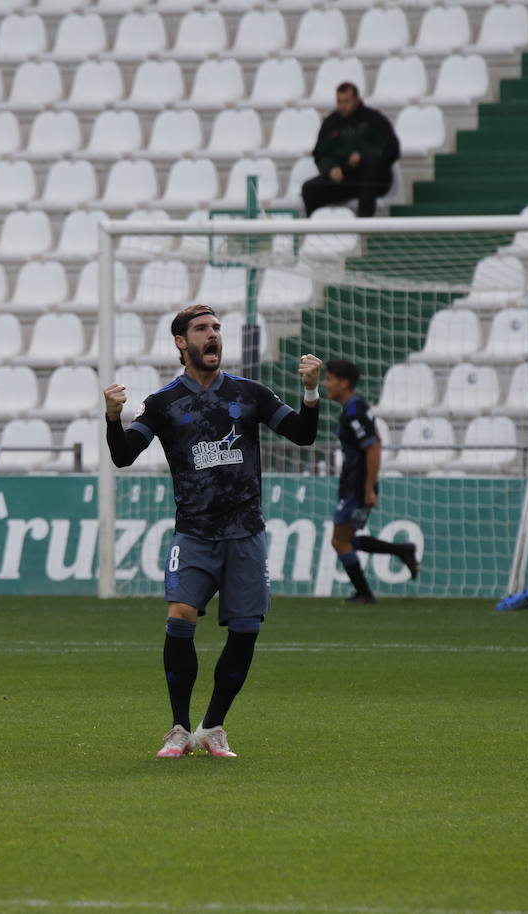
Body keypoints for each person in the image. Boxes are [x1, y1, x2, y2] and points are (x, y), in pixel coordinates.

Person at [103, 304, 322, 759]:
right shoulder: (164, 403)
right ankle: (180, 728)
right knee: (180, 616)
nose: (213, 335)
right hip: (195, 534)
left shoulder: (250, 394)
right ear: (182, 342)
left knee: (244, 629)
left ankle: (214, 726)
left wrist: (311, 392)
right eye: (202, 329)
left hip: (245, 534)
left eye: (217, 328)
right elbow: (124, 456)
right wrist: (112, 417)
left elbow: (302, 435)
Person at [321, 359, 418, 605]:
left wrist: (368, 489)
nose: (325, 384)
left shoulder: (354, 411)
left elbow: (373, 447)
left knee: (339, 540)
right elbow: (373, 440)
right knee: (346, 539)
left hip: (358, 484)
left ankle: (364, 594)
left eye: (329, 379)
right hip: (353, 483)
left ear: (343, 383)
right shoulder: (354, 408)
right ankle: (401, 550)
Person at [302, 82, 401, 218]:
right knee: (310, 189)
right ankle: (316, 232)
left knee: (368, 181)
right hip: (345, 178)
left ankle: (362, 231)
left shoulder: (374, 119)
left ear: (357, 100)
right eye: (339, 101)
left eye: (346, 101)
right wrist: (331, 169)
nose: (342, 106)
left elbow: (392, 150)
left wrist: (363, 157)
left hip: (374, 179)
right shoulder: (331, 123)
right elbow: (320, 153)